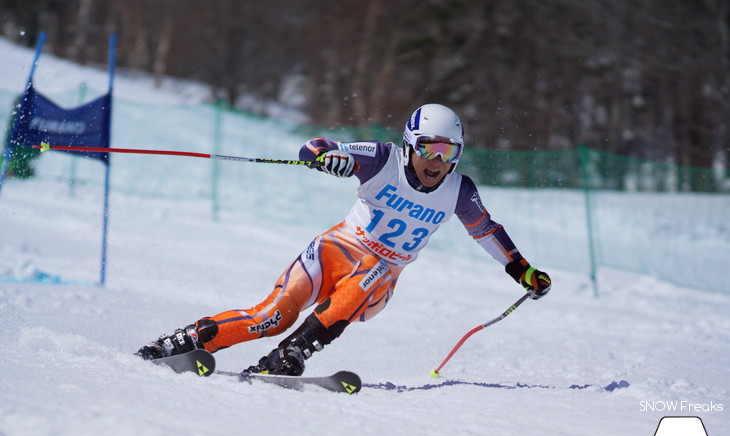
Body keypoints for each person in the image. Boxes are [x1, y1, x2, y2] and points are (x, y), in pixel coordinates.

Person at [136, 103, 551, 376]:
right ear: (410, 144)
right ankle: (180, 341)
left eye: (448, 151)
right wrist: (325, 157)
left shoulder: (458, 190)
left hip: (376, 282)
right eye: (429, 148)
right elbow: (315, 146)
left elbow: (487, 231)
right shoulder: (382, 159)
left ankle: (292, 353)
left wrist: (522, 270)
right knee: (273, 316)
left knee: (375, 270)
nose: (437, 161)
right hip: (335, 251)